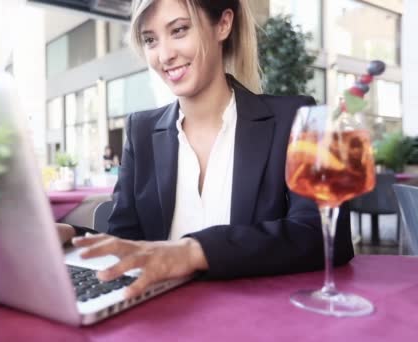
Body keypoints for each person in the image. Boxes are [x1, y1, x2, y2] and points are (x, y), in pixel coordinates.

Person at [57, 0, 353, 299]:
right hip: (164, 318)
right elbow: (127, 242)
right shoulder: (142, 131)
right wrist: (73, 236)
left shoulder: (293, 117)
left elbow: (325, 234)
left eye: (180, 30)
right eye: (150, 40)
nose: (165, 54)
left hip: (255, 318)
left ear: (223, 24)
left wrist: (195, 251)